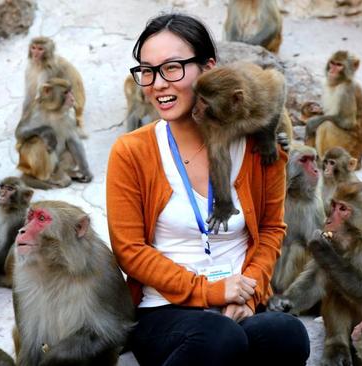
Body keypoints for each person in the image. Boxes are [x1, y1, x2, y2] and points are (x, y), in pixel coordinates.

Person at [106, 13, 310, 366]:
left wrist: (248, 294)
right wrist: (211, 291)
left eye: (172, 68)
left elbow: (272, 230)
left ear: (208, 69)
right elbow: (130, 251)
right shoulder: (132, 151)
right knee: (218, 339)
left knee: (287, 334)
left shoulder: (260, 149)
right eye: (148, 71)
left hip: (239, 304)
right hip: (167, 309)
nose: (157, 84)